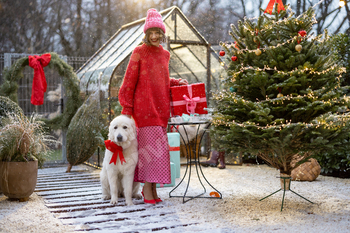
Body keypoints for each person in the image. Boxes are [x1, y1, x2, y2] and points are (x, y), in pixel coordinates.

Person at [118, 8, 188, 204]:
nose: (155, 36)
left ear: (162, 33)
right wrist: (127, 111)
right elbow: (128, 82)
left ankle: (153, 192)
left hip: (160, 110)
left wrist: (176, 83)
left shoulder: (165, 55)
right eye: (151, 33)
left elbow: (162, 80)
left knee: (157, 153)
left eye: (158, 32)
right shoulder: (139, 52)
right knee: (149, 153)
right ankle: (147, 193)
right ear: (146, 34)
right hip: (143, 111)